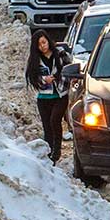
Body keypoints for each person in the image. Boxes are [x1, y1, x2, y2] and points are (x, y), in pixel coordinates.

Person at [25, 30, 69, 164]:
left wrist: (59, 78)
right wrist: (44, 80)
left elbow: (70, 68)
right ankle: (48, 153)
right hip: (44, 97)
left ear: (48, 41)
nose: (43, 46)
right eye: (39, 45)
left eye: (44, 42)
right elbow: (31, 77)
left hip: (61, 94)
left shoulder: (60, 54)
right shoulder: (35, 60)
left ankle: (56, 151)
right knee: (47, 126)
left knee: (55, 120)